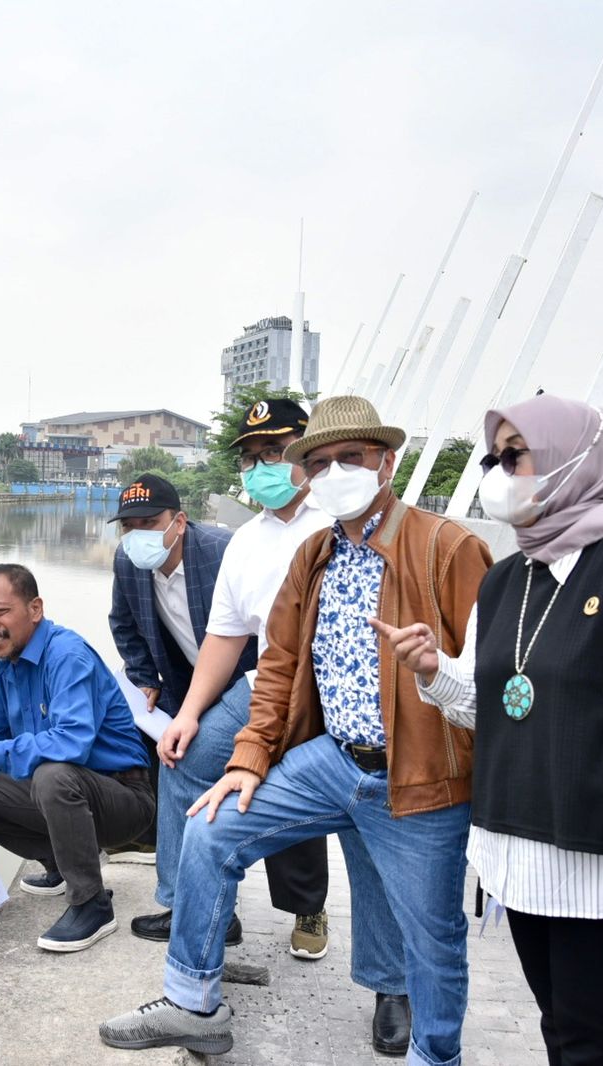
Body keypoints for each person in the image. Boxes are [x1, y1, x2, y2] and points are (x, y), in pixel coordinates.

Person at [100, 396, 492, 1062]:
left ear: (386, 463)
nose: (334, 470)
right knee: (211, 826)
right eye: (321, 460)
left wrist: (433, 669)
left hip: (416, 775)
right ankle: (193, 999)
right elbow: (276, 665)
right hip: (332, 758)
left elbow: (487, 677)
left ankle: (433, 1047)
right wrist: (250, 756)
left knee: (433, 936)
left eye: (351, 458)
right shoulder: (313, 553)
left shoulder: (447, 548)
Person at [381, 394, 603, 1065]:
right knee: (560, 1030)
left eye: (515, 457)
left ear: (574, 460)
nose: (498, 474)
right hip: (521, 865)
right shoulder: (506, 580)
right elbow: (486, 705)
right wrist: (432, 669)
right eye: (492, 459)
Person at [127, 399, 335, 962]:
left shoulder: (344, 521)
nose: (260, 467)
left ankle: (379, 969)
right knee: (184, 757)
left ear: (308, 453)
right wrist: (190, 714)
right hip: (267, 688)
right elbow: (224, 638)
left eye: (274, 451)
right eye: (249, 458)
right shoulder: (247, 541)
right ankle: (190, 903)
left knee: (336, 806)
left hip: (343, 695)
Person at [0, 563, 155, 953]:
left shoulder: (66, 656)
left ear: (35, 608)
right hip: (70, 796)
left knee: (52, 775)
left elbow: (72, 742)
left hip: (124, 798)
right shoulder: (3, 665)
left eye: (1, 611)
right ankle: (58, 865)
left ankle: (91, 904)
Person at [107, 473, 252, 863]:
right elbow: (122, 622)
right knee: (158, 749)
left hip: (253, 680)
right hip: (185, 681)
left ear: (180, 521)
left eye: (150, 524)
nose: (138, 535)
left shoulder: (226, 553)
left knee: (276, 781)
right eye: (129, 526)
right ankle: (154, 846)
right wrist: (142, 676)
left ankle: (305, 905)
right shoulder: (128, 559)